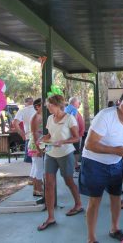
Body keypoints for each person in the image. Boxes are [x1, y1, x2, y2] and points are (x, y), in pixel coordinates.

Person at [79, 93, 123, 242]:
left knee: (116, 197)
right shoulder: (105, 116)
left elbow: (122, 139)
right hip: (95, 163)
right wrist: (116, 150)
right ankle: (91, 238)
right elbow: (90, 144)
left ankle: (115, 228)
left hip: (115, 163)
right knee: (95, 200)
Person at [37, 95, 83, 231]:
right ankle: (50, 217)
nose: (48, 107)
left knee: (68, 181)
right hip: (51, 153)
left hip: (65, 153)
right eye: (48, 105)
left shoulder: (70, 118)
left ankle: (78, 204)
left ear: (58, 105)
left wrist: (62, 142)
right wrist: (41, 139)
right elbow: (50, 135)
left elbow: (76, 138)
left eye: (50, 105)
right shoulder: (50, 118)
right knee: (49, 184)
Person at [65, 97, 85, 177]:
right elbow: (73, 121)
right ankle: (74, 169)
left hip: (71, 134)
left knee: (72, 151)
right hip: (75, 135)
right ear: (74, 103)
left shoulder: (66, 108)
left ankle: (74, 166)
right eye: (78, 102)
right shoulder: (73, 109)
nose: (79, 104)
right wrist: (75, 134)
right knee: (75, 151)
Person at [27, 98, 44, 196]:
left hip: (38, 144)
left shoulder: (40, 116)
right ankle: (38, 189)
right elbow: (34, 134)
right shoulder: (35, 117)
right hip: (35, 145)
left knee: (36, 167)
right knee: (39, 168)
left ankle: (36, 188)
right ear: (37, 106)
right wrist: (38, 148)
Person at [13, 97, 36, 163]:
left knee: (32, 162)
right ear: (32, 101)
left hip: (29, 137)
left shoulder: (22, 110)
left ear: (25, 103)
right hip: (41, 137)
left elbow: (15, 123)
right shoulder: (39, 109)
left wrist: (21, 133)